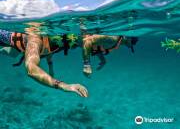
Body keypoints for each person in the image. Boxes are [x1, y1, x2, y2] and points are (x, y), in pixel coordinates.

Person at [0, 28, 138, 97]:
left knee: (11, 53)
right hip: (8, 37)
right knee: (11, 52)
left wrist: (51, 67)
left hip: (20, 48)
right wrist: (64, 85)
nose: (63, 39)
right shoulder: (35, 39)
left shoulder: (60, 42)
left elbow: (49, 51)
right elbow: (31, 68)